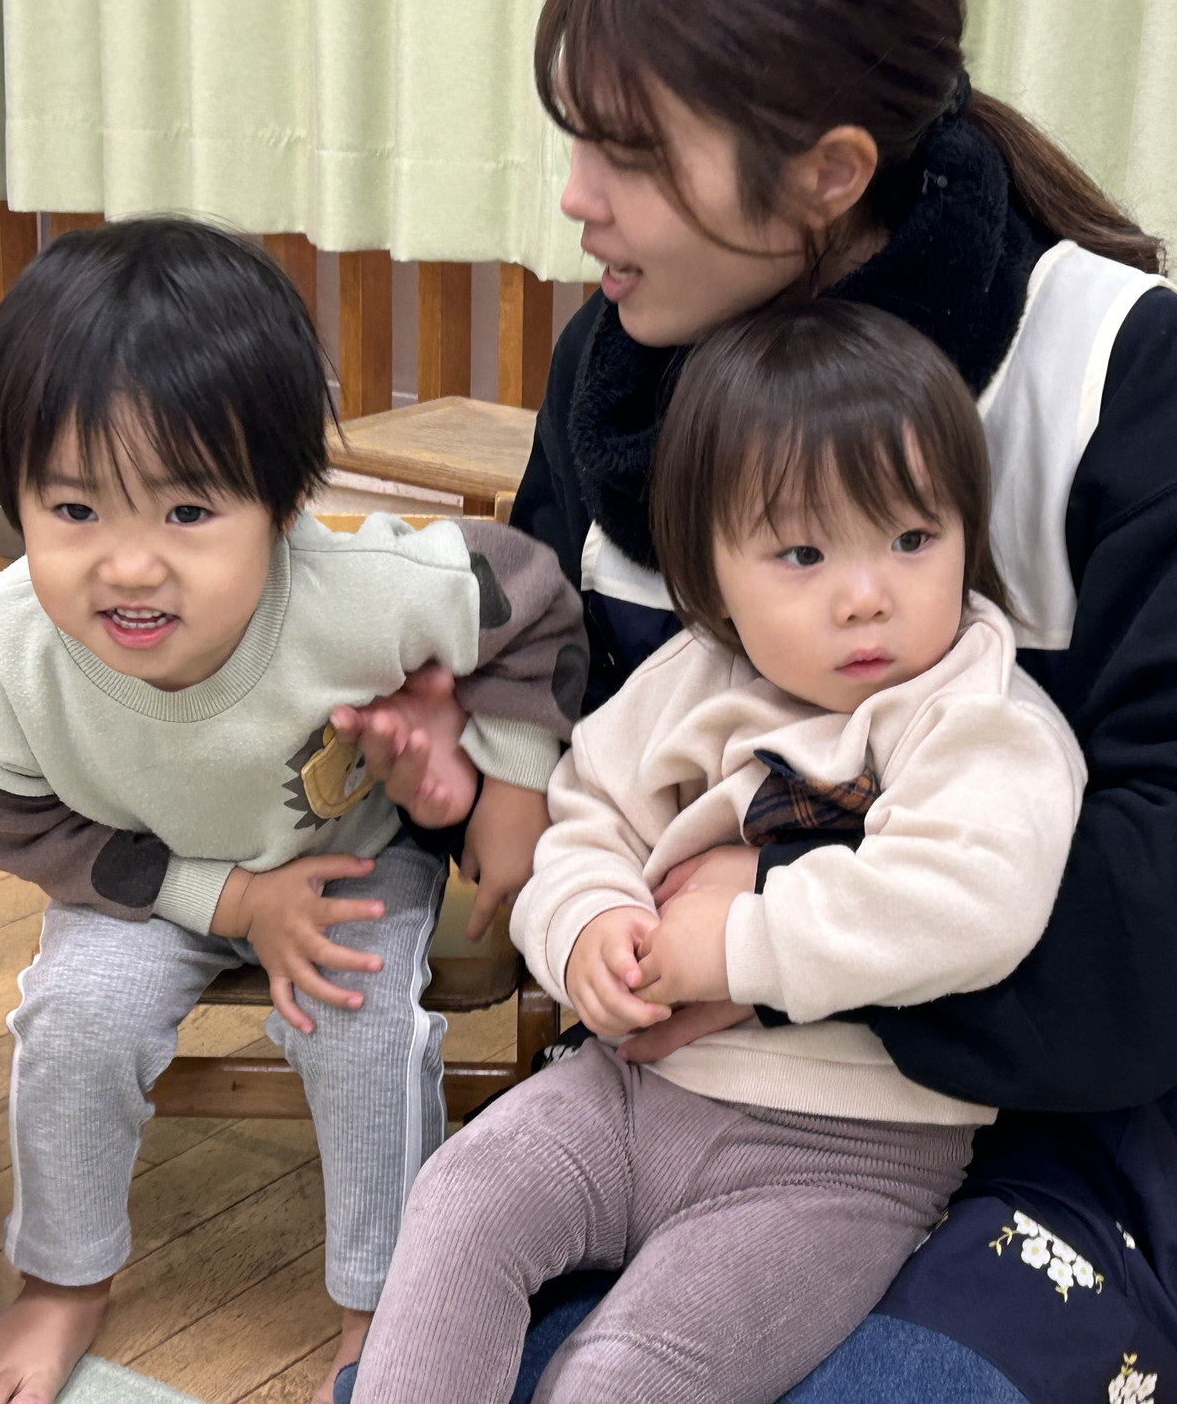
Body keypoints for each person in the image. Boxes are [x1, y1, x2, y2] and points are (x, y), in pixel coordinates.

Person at [339, 0, 1177, 1399]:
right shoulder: (622, 370)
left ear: (827, 173)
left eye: (631, 155)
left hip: (1068, 1091)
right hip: (693, 1076)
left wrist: (776, 932)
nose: (576, 198)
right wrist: (474, 784)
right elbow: (572, 762)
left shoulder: (1109, 372)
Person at [352, 302, 1086, 1404]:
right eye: (802, 553)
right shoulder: (691, 679)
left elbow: (973, 896)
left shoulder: (975, 713)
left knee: (623, 1378)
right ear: (714, 573)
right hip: (624, 1093)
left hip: (839, 1157)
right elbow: (583, 819)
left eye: (911, 540)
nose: (865, 597)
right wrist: (587, 928)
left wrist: (734, 945)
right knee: (461, 1197)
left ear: (966, 535)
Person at [0, 217, 587, 1404]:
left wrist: (511, 783)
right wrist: (230, 900)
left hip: (345, 860)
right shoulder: (0, 649)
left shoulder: (364, 593)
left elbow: (532, 601)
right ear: (12, 496)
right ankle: (60, 1280)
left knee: (363, 1031)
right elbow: (14, 824)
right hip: (143, 878)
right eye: (74, 511)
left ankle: (380, 1303)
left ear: (283, 503)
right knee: (74, 1020)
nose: (129, 566)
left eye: (187, 513)